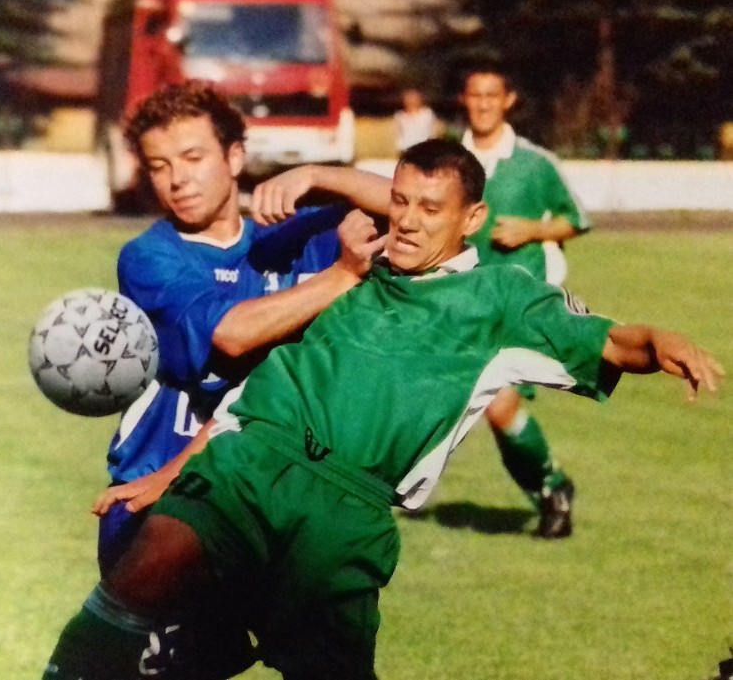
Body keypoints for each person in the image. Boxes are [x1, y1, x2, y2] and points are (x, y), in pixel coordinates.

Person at [41, 139, 723, 680]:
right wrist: (167, 476)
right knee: (143, 572)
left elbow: (607, 340)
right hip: (248, 463)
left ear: (472, 220)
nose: (407, 220)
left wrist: (661, 340)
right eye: (399, 201)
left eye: (430, 208)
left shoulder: (503, 300)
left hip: (344, 513)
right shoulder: (357, 267)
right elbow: (256, 397)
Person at [86, 81, 390, 676]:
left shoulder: (294, 236)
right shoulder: (151, 258)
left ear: (233, 158)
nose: (177, 178)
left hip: (276, 498)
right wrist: (341, 279)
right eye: (159, 166)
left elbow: (412, 206)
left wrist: (320, 175)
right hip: (167, 502)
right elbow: (232, 334)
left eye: (194, 157)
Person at [458, 64, 594, 537]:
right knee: (485, 415)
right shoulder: (450, 162)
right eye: (475, 95)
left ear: (509, 100)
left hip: (519, 304)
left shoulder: (535, 163)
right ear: (464, 100)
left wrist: (533, 229)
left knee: (498, 405)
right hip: (460, 302)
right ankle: (550, 488)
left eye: (491, 95)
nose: (482, 104)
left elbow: (575, 219)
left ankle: (552, 488)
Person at [393, 87, 439, 154]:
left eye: (413, 98)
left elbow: (433, 132)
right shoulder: (399, 116)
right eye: (408, 98)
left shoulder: (427, 114)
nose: (411, 101)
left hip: (423, 148)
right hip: (404, 148)